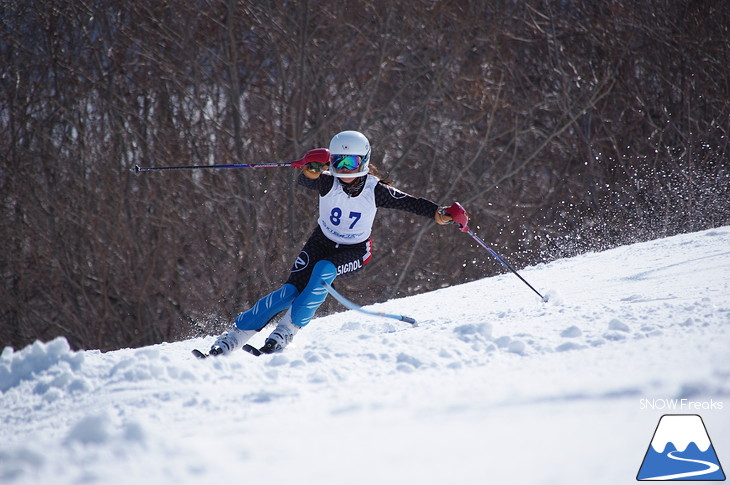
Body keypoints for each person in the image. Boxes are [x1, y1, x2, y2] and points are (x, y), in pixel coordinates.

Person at [209, 130, 468, 356]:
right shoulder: (328, 180)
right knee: (289, 293)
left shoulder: (374, 189)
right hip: (320, 242)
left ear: (364, 161)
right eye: (338, 162)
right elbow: (306, 178)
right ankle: (233, 338)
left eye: (351, 162)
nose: (344, 170)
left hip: (355, 250)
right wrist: (310, 168)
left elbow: (411, 202)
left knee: (323, 272)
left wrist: (440, 213)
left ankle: (285, 332)